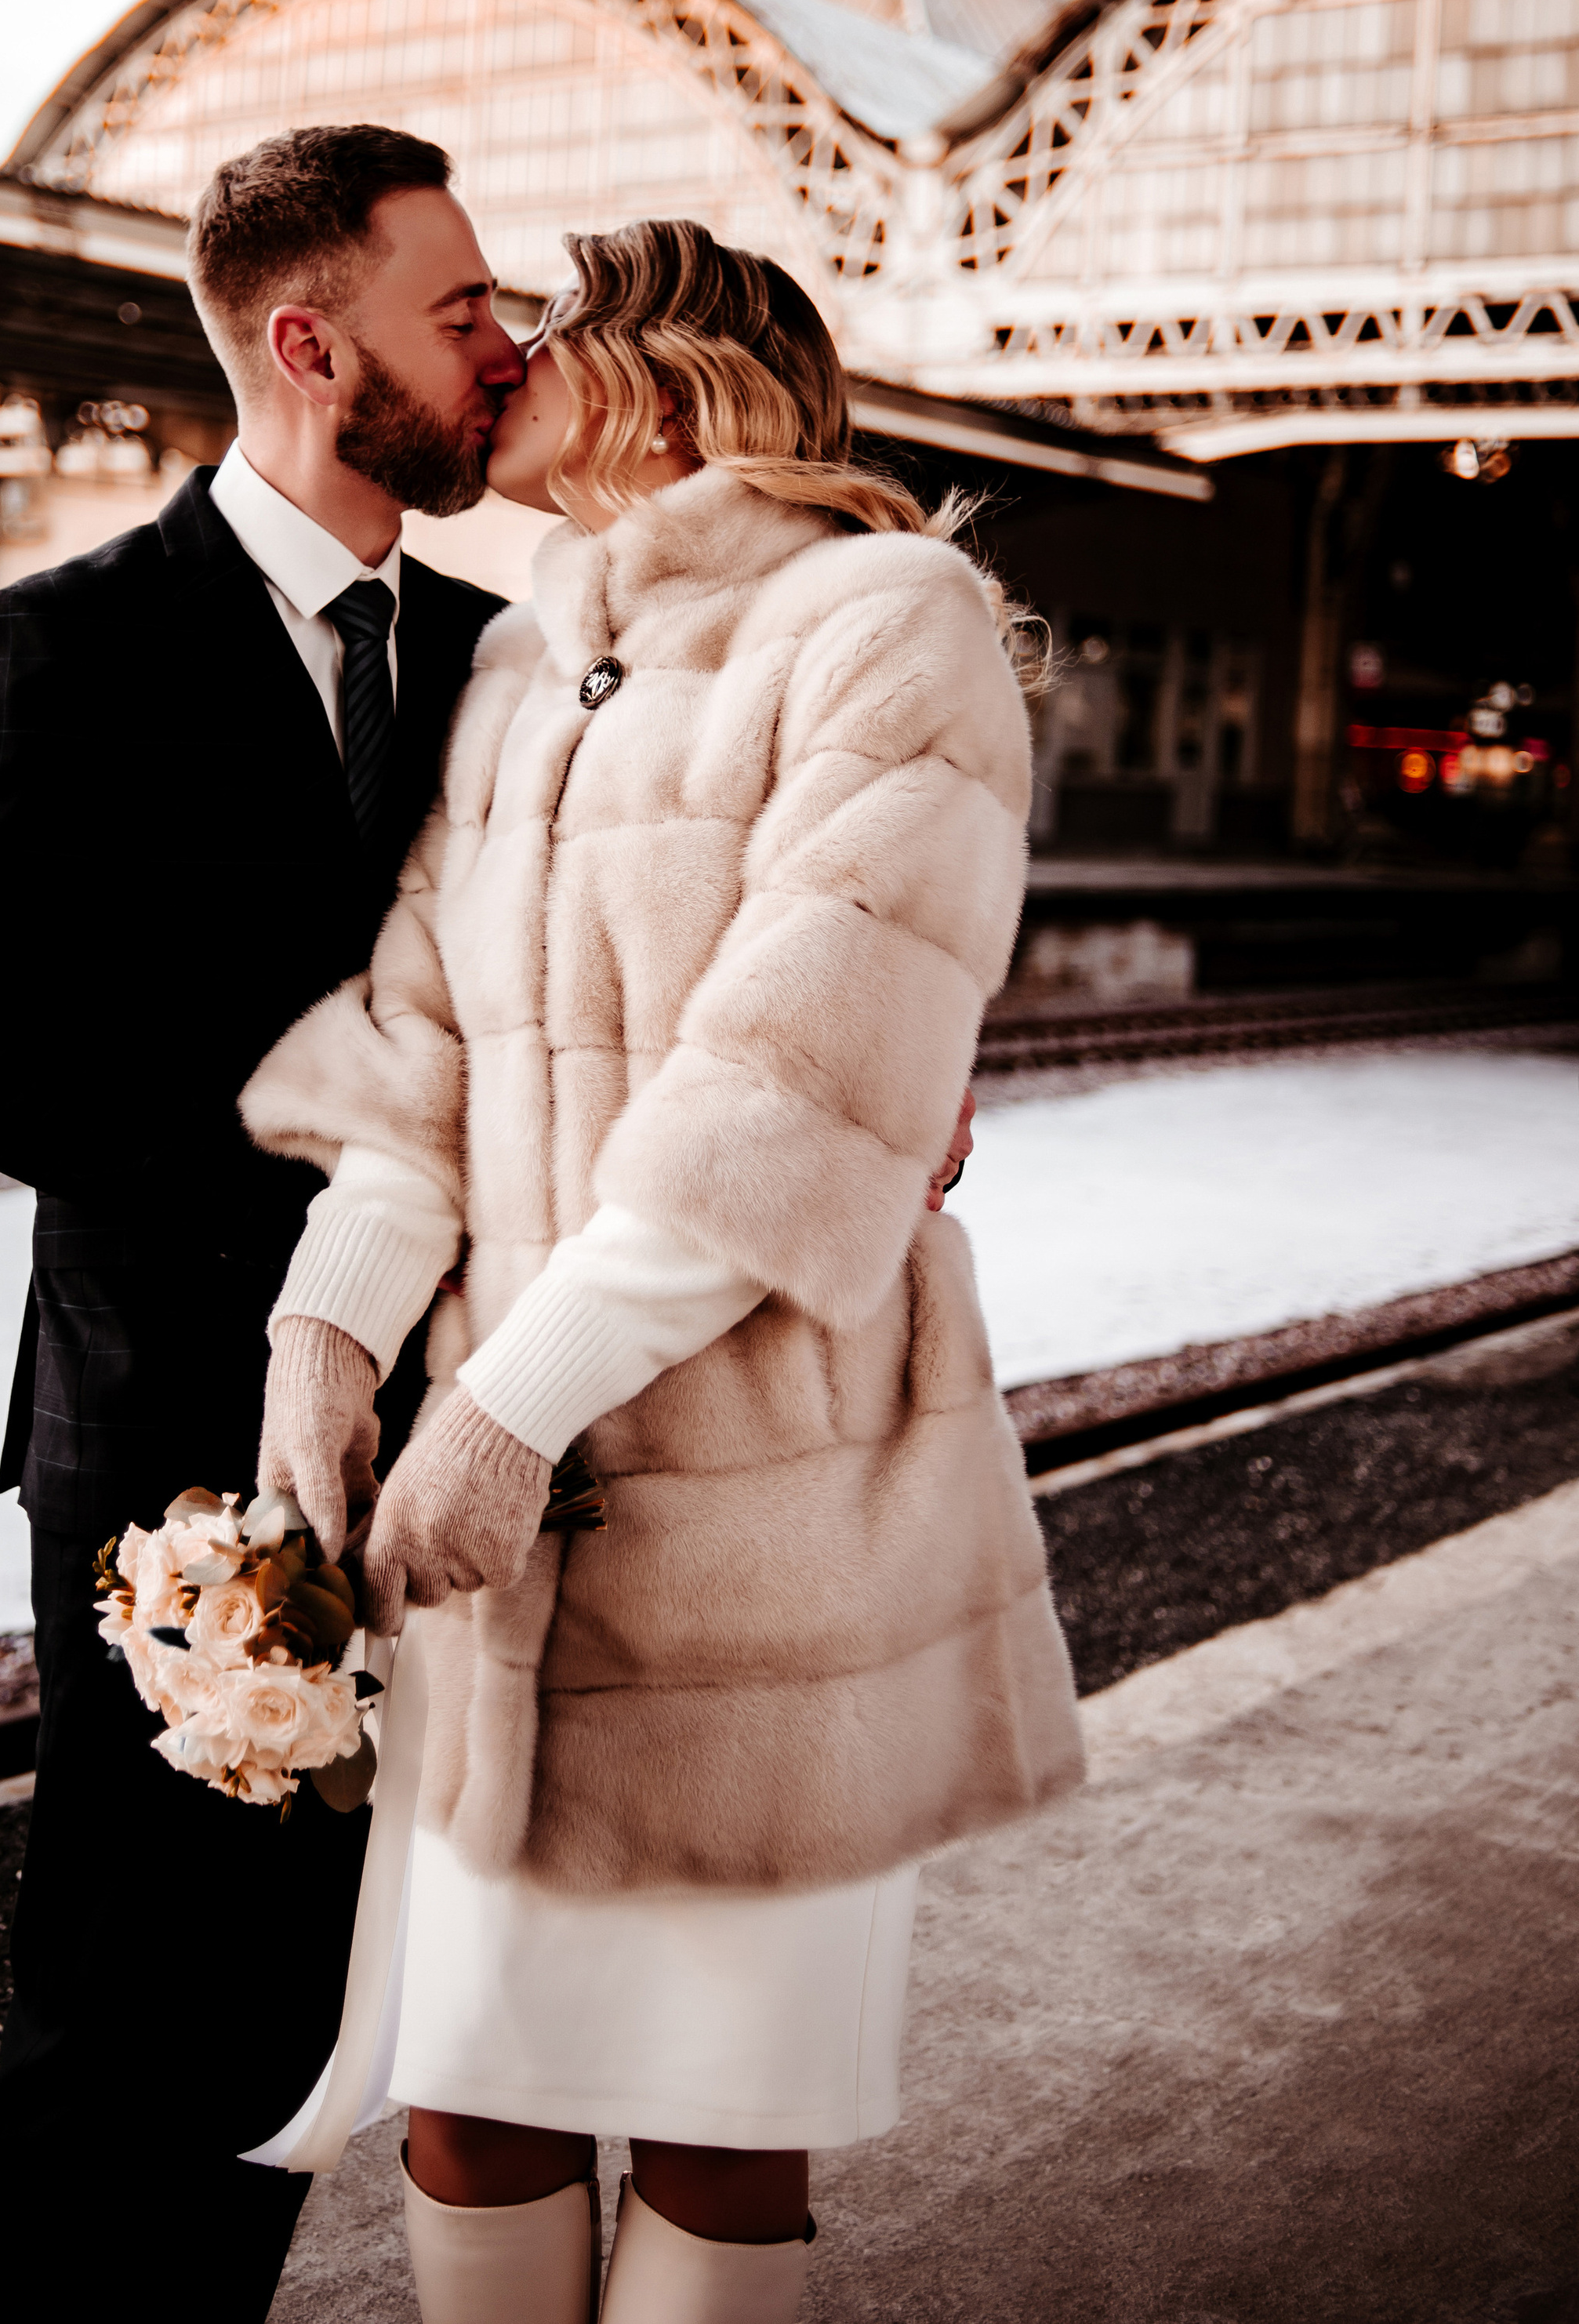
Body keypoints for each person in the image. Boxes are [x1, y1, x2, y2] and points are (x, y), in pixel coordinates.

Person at [245, 220, 1086, 2324]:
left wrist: (507, 1407)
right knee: (470, 2098)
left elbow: (798, 1079)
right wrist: (330, 1329)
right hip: (506, 1535)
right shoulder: (524, 663)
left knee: (720, 2109)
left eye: (540, 326)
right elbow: (425, 1040)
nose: (498, 359)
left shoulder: (887, 615)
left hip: (760, 1528)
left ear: (664, 364)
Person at [0, 125, 522, 2322]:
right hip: (166, 1453)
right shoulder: (63, 641)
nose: (503, 347)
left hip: (448, 1450)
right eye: (461, 308)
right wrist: (314, 1202)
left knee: (297, 2034)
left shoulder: (508, 659)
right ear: (312, 346)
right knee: (123, 2013)